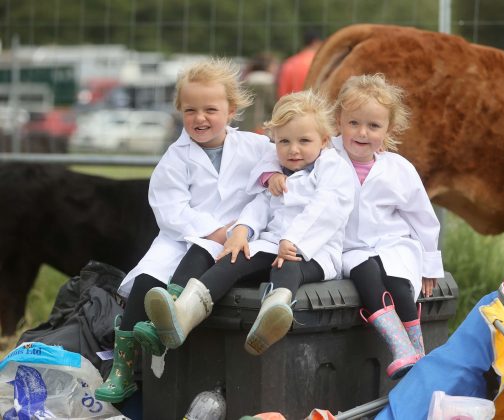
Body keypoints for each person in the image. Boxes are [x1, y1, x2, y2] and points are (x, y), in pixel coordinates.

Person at [95, 58, 274, 403]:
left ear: (231, 110)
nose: (200, 118)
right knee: (148, 277)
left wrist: (240, 228)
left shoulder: (257, 148)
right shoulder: (174, 158)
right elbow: (169, 210)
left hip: (243, 236)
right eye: (190, 110)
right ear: (180, 110)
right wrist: (213, 231)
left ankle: (165, 325)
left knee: (200, 264)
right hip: (183, 237)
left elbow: (269, 189)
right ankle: (122, 367)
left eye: (210, 109)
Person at [143, 89, 355, 358]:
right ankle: (185, 314)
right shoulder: (278, 174)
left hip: (311, 250)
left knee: (286, 266)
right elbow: (260, 205)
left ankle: (273, 313)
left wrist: (293, 241)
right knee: (232, 257)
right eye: (284, 142)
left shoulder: (333, 170)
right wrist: (242, 231)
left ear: (324, 141)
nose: (293, 149)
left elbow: (326, 208)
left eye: (304, 140)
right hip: (271, 243)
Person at [266, 74, 444, 380]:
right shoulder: (322, 156)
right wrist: (269, 174)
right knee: (368, 278)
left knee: (400, 283)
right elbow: (276, 150)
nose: (363, 133)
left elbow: (423, 217)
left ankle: (418, 350)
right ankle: (399, 346)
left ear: (388, 129)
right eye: (354, 123)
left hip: (393, 243)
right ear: (338, 121)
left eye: (374, 126)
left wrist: (430, 264)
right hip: (347, 247)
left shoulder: (398, 169)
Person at [276, 29, 322, 98]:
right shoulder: (322, 64)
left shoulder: (289, 64)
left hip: (292, 106)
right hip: (316, 107)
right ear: (316, 42)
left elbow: (282, 94)